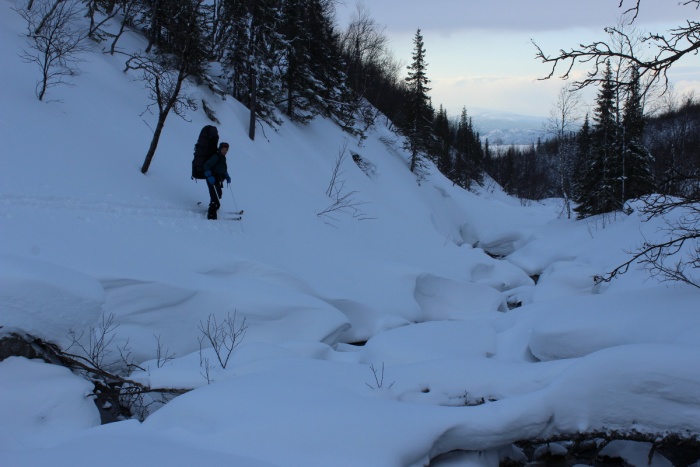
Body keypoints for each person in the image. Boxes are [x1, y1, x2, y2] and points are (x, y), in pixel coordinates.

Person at [203, 142, 232, 220]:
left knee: (219, 194)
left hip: (217, 179)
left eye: (226, 150)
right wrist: (209, 176)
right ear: (220, 149)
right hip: (211, 178)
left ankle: (216, 205)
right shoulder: (216, 156)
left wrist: (227, 176)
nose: (224, 151)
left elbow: (224, 169)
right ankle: (211, 215)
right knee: (214, 195)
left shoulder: (223, 158)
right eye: (223, 149)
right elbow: (206, 166)